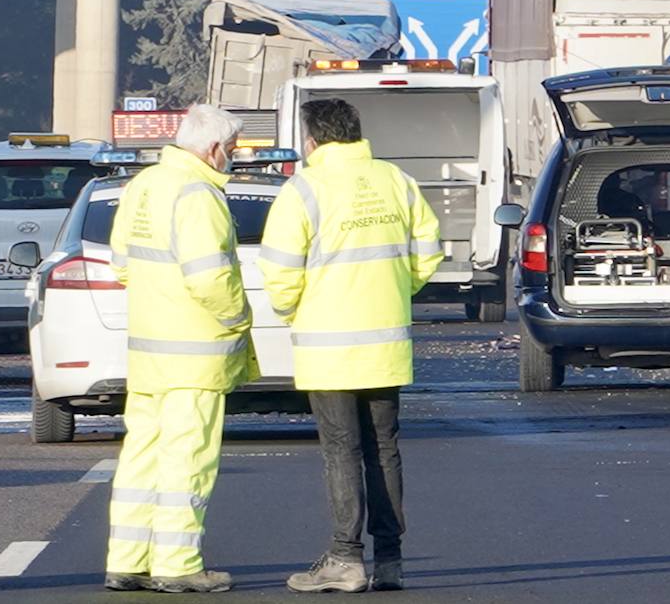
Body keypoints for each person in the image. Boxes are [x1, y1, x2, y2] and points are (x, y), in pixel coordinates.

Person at [258, 98, 442, 594]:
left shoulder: (304, 190)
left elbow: (278, 271)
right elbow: (428, 251)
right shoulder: (396, 181)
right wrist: (395, 290)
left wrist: (294, 308)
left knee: (342, 449)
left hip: (328, 346)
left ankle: (345, 558)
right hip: (385, 342)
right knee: (384, 449)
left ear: (312, 141)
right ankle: (390, 561)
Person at [104, 105, 257, 594]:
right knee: (188, 458)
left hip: (149, 350)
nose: (232, 159)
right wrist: (238, 319)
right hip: (195, 352)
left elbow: (122, 263)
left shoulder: (144, 185)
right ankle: (177, 564)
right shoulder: (200, 194)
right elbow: (210, 276)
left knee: (141, 457)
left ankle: (126, 560)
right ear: (214, 149)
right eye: (232, 150)